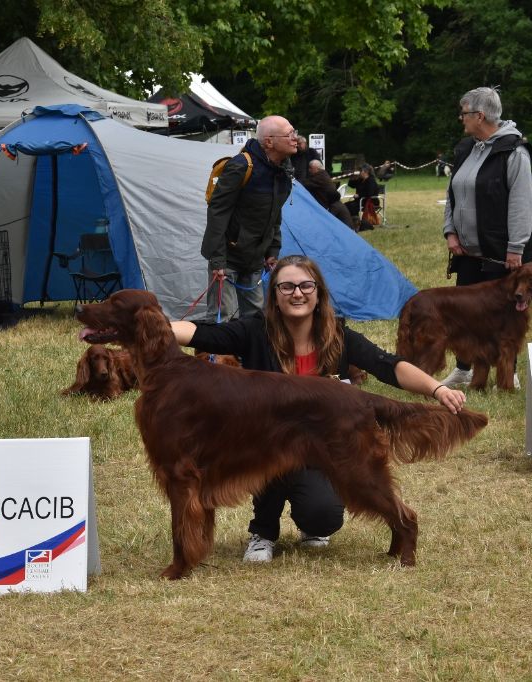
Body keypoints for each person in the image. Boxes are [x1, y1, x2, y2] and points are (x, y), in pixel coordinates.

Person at [170, 254, 468, 563]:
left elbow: (387, 366)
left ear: (318, 292)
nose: (296, 293)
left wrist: (437, 388)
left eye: (305, 285)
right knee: (267, 447)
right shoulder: (256, 331)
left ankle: (324, 524)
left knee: (323, 515)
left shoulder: (337, 336)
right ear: (274, 295)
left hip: (323, 445)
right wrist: (156, 327)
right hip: (265, 447)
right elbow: (202, 333)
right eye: (286, 287)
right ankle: (263, 532)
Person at [440, 86, 532, 389]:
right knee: (467, 313)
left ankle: (510, 371)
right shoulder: (466, 148)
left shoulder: (513, 151)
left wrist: (515, 248)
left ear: (479, 116)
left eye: (464, 113)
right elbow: (452, 192)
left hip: (501, 251)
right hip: (467, 251)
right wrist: (450, 231)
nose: (461, 118)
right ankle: (464, 369)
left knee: (504, 315)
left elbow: (522, 204)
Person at [201, 116, 296, 321]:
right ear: (269, 141)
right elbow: (217, 213)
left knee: (256, 320)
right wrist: (217, 260)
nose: (295, 138)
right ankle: (213, 354)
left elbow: (274, 213)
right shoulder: (240, 166)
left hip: (255, 260)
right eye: (289, 134)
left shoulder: (283, 171)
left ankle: (249, 354)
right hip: (227, 259)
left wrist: (272, 250)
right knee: (221, 319)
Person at [301, 159, 352, 227]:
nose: (309, 170)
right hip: (334, 204)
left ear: (317, 169)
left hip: (333, 206)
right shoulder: (323, 175)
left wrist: (294, 181)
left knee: (325, 223)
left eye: (310, 168)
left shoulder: (319, 177)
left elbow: (306, 183)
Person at [344, 163, 380, 230]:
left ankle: (357, 223)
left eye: (360, 171)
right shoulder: (360, 180)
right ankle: (350, 222)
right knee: (345, 205)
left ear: (365, 172)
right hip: (360, 201)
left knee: (352, 206)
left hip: (369, 201)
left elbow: (370, 193)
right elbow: (351, 185)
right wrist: (353, 176)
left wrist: (359, 195)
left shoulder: (371, 180)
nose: (359, 172)